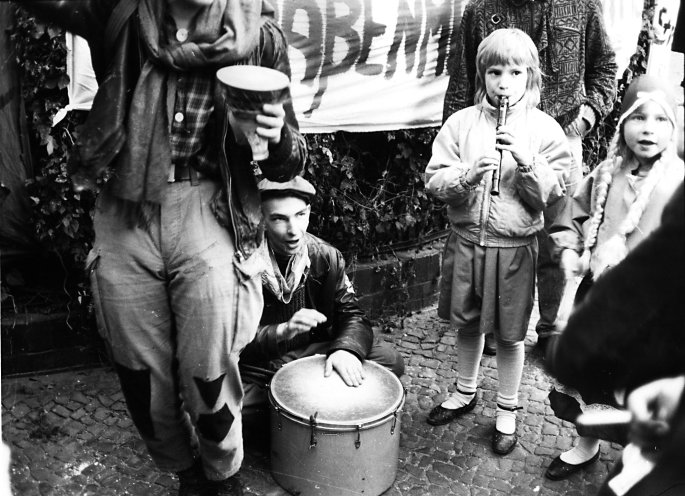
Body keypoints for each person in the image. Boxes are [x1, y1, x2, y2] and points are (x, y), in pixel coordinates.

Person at [13, 1, 307, 495]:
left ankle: (222, 476)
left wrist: (276, 141)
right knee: (138, 371)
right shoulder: (122, 14)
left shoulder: (257, 37)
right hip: (127, 204)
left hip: (210, 203)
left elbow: (288, 161)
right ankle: (185, 472)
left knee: (208, 367)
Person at [423, 29, 572, 455]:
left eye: (514, 72)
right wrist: (468, 175)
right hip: (468, 240)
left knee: (510, 334)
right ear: (481, 75)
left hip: (514, 249)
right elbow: (434, 179)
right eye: (494, 71)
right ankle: (465, 391)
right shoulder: (461, 123)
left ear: (531, 78)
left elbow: (556, 194)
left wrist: (526, 163)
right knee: (467, 322)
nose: (503, 82)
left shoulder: (544, 129)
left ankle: (507, 408)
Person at [443, 0, 618, 354]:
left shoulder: (582, 5)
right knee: (495, 235)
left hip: (558, 139)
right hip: (495, 136)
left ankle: (551, 326)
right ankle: (494, 322)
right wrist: (462, 153)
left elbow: (606, 68)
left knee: (558, 236)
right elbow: (462, 80)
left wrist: (584, 119)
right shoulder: (480, 11)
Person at [545, 75, 683, 481]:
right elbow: (572, 215)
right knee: (592, 378)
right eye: (638, 117)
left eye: (660, 120)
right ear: (622, 123)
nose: (648, 128)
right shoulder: (608, 173)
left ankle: (643, 460)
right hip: (600, 299)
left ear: (673, 128)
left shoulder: (679, 182)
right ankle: (586, 444)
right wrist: (570, 249)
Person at [240, 176, 405, 414]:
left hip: (312, 354)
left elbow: (351, 314)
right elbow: (233, 342)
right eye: (279, 219)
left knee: (390, 361)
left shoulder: (325, 256)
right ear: (261, 220)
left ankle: (295, 395)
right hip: (261, 364)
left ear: (309, 212)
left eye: (300, 215)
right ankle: (305, 395)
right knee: (232, 405)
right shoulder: (244, 263)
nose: (294, 231)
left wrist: (346, 350)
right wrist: (282, 331)